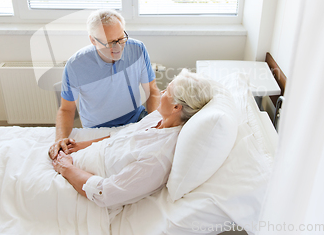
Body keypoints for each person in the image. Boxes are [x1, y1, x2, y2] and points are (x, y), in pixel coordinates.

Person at [52, 69, 214, 218]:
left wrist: (65, 168)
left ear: (176, 107)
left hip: (82, 178)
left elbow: (105, 192)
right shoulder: (158, 117)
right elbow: (122, 136)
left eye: (167, 91)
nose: (162, 92)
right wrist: (83, 145)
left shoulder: (157, 157)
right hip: (86, 156)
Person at [49, 9, 161, 160]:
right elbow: (66, 109)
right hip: (98, 128)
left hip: (136, 119)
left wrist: (154, 121)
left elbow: (152, 91)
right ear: (93, 40)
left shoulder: (138, 49)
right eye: (110, 43)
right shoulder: (75, 65)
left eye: (121, 38)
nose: (118, 47)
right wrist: (60, 139)